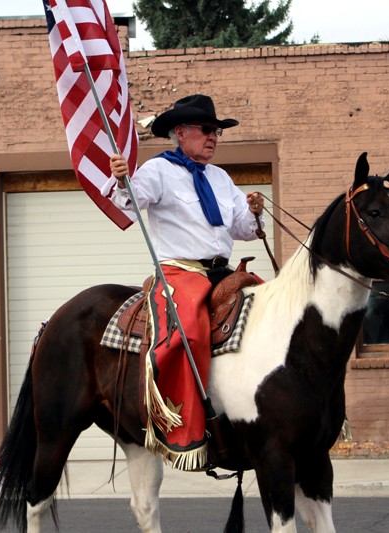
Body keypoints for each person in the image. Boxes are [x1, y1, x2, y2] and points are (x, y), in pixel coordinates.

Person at [106, 94, 264, 470]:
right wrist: (122, 179)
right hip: (180, 271)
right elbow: (130, 202)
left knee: (267, 302)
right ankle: (186, 425)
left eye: (217, 133)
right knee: (190, 332)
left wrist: (255, 211)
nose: (214, 138)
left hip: (221, 270)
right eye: (208, 130)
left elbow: (243, 229)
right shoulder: (158, 170)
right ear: (182, 132)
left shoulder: (221, 178)